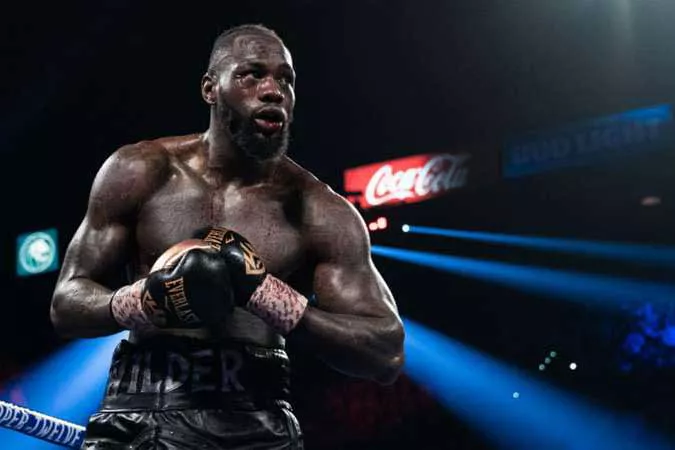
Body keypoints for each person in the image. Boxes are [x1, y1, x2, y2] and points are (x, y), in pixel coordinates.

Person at [50, 23, 405, 449]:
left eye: (285, 80)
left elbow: (386, 351)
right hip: (142, 411)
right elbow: (65, 305)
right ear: (210, 89)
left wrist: (268, 296)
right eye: (251, 75)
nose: (273, 91)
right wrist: (144, 301)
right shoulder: (140, 171)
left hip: (256, 423)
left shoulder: (318, 210)